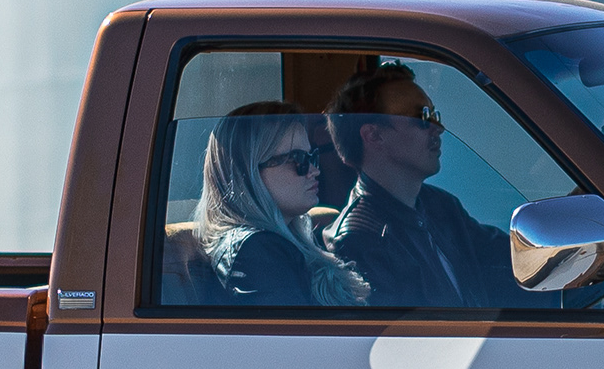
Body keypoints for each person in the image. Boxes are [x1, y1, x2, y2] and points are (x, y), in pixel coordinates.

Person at [326, 62, 514, 309]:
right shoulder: (360, 241)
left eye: (435, 116)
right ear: (374, 135)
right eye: (423, 117)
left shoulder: (441, 206)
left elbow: (509, 258)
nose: (438, 129)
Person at [195, 104, 367, 306]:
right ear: (248, 171)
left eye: (311, 157)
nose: (314, 171)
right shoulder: (256, 250)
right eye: (297, 158)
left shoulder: (281, 242)